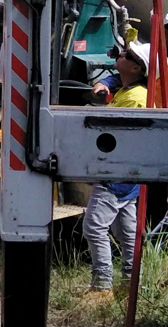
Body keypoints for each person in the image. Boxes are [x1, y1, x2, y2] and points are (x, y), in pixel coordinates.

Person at [84, 42, 151, 291]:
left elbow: (117, 139)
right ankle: (131, 285)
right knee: (128, 235)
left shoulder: (134, 99)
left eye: (127, 54)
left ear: (135, 67)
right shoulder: (130, 89)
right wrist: (107, 84)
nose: (120, 53)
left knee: (94, 227)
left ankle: (101, 286)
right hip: (128, 178)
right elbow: (116, 79)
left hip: (115, 177)